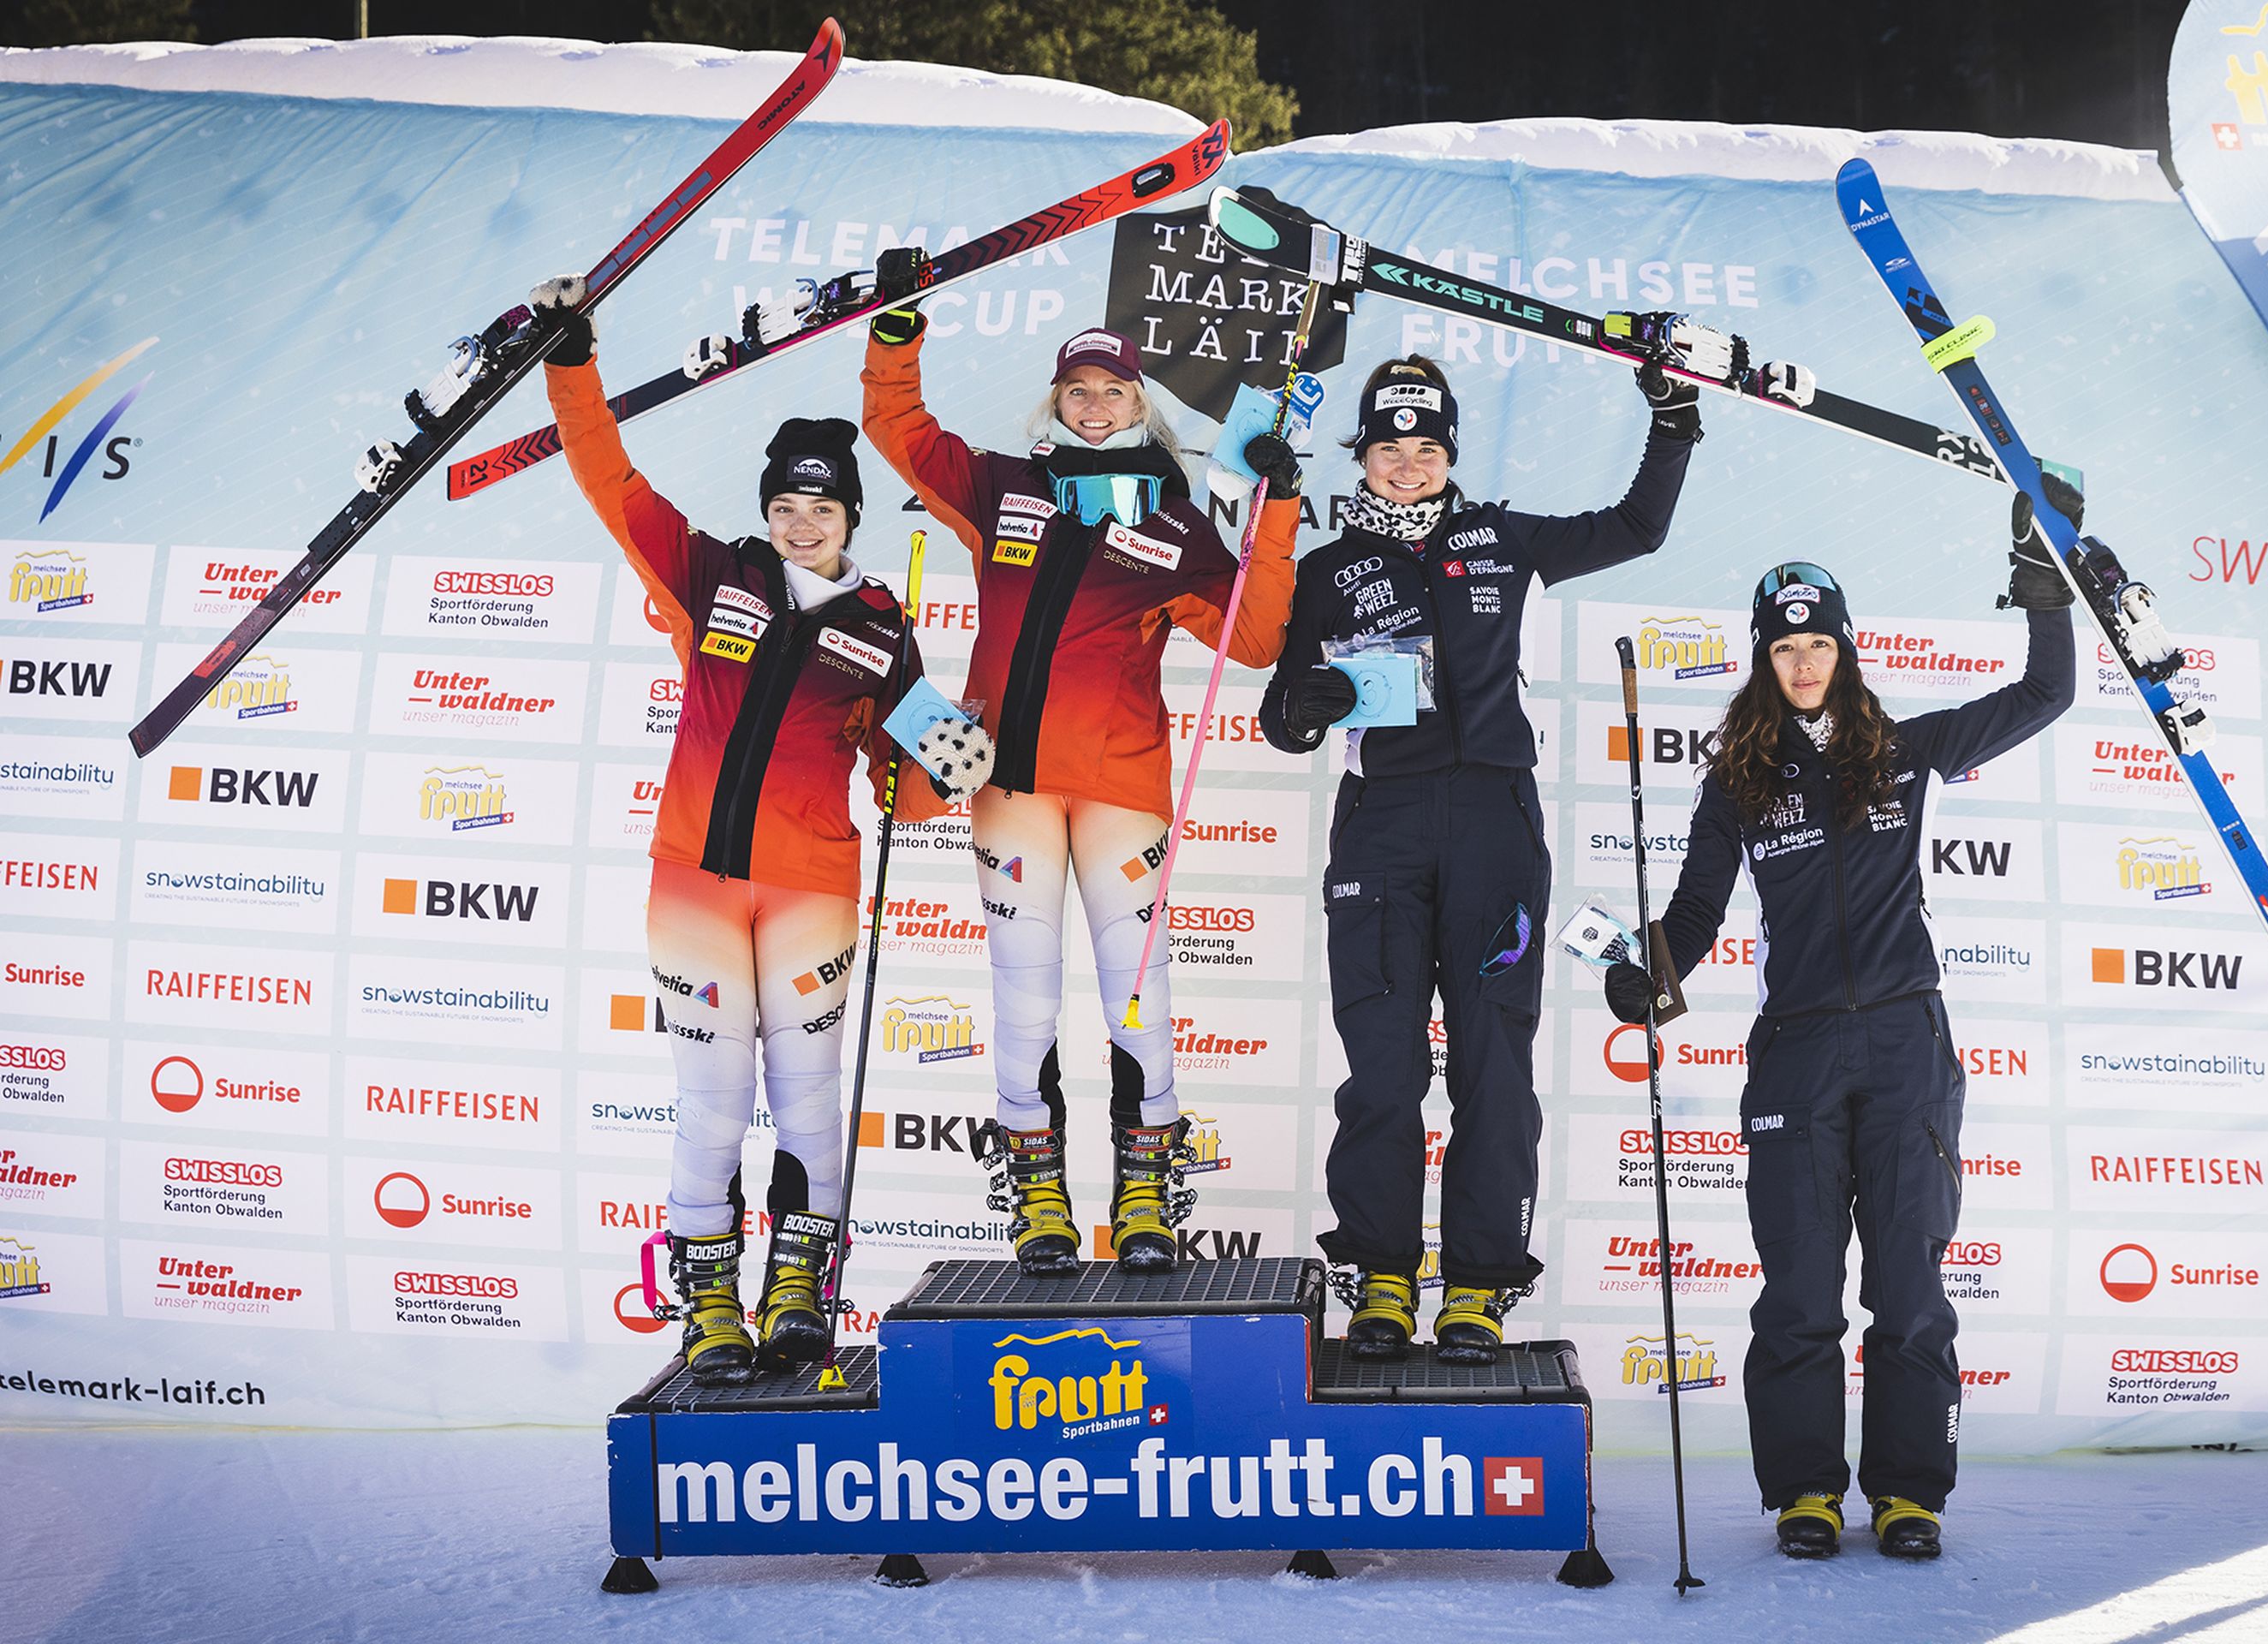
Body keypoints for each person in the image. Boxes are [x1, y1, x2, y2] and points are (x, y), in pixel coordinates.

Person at [1261, 327, 1771, 1365]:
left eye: (1429, 450)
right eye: (1389, 450)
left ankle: (1481, 1285)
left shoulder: (1504, 540)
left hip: (1497, 821)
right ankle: (1385, 1275)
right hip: (1383, 827)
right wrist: (1307, 703)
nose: (1409, 466)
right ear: (1360, 456)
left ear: (1451, 457)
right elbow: (1283, 714)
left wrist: (1672, 424)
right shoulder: (1326, 568)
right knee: (1384, 1067)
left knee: (1494, 1062)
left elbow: (1637, 527)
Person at [1606, 483, 2080, 1558]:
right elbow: (1692, 914)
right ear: (1764, 662)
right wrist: (1650, 976)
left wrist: (2043, 586)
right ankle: (1808, 1494)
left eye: (1819, 642)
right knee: (1801, 1288)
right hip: (1798, 1051)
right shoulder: (1737, 784)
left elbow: (2046, 691)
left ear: (1847, 649)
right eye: (1785, 648)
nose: (1804, 662)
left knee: (1910, 1285)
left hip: (1908, 1044)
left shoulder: (1905, 753)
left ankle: (1910, 1493)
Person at [530, 275, 991, 1383]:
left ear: (850, 521)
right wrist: (571, 363)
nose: (801, 523)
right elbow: (611, 479)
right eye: (787, 505)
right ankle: (709, 1306)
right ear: (770, 507)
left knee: (809, 1104)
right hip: (691, 887)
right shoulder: (713, 575)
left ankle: (799, 1288)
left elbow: (909, 786)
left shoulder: (884, 631)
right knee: (708, 1110)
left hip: (812, 892)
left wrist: (954, 765)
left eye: (822, 509)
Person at [860, 250, 1301, 1274]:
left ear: (1140, 406)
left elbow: (1260, 638)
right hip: (1008, 786)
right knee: (1024, 999)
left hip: (1123, 789)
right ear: (1054, 399)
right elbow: (900, 433)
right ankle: (1040, 1194)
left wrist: (1275, 507)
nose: (1094, 405)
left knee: (1137, 994)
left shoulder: (1175, 517)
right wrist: (896, 333)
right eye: (1077, 389)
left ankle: (1146, 1192)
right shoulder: (1003, 485)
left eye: (1112, 391)